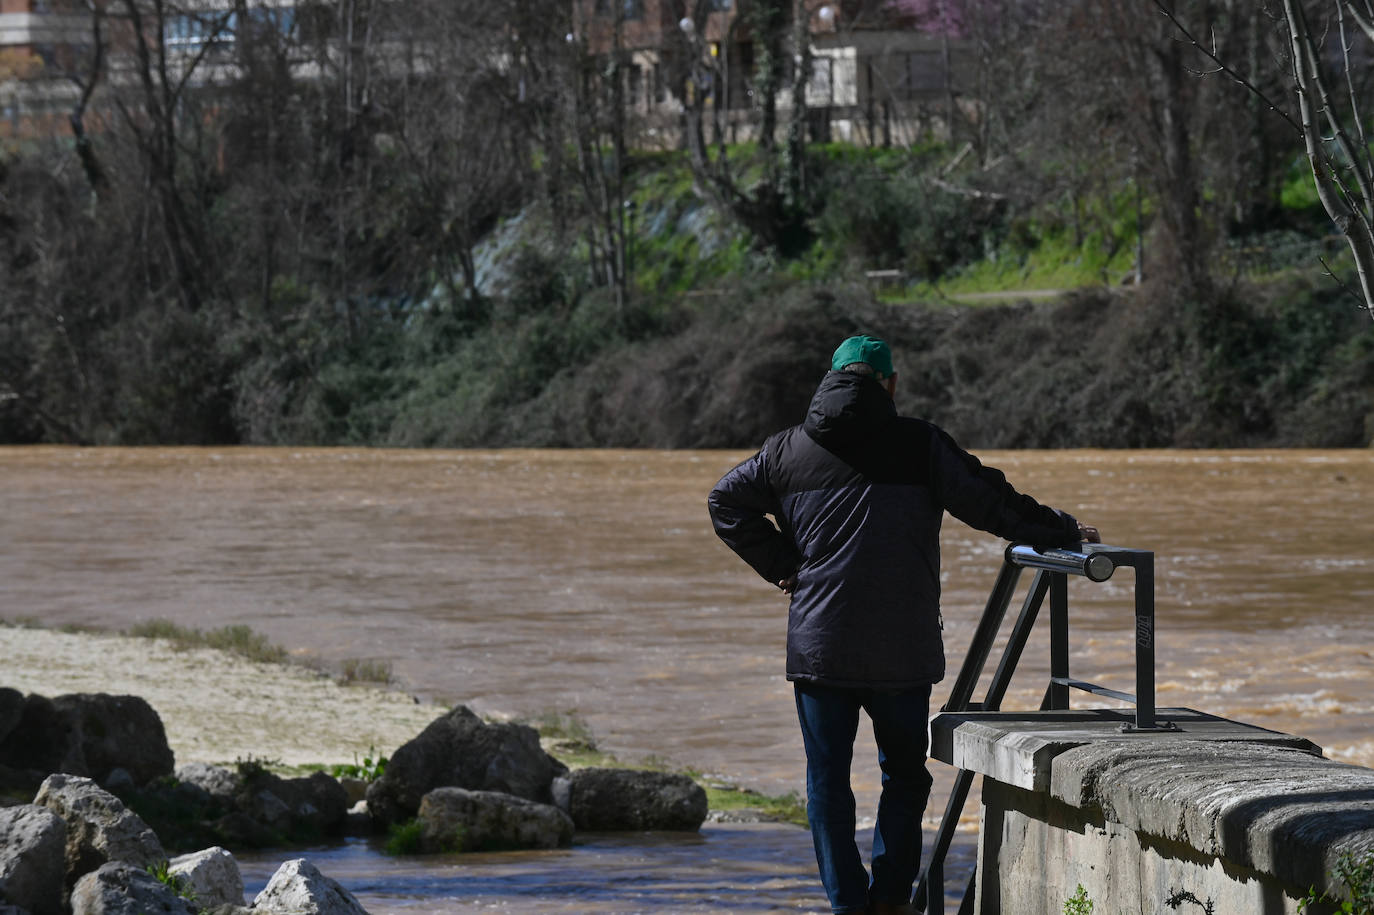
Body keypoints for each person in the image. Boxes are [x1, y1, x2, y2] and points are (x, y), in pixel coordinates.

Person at [707, 334, 1099, 915]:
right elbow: (992, 503)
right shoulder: (921, 445)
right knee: (906, 779)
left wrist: (787, 567)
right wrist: (1062, 530)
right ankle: (890, 901)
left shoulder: (786, 451)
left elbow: (725, 503)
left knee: (827, 785)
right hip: (901, 650)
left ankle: (848, 906)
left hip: (822, 649)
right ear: (890, 383)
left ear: (831, 379)